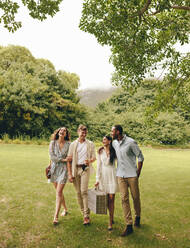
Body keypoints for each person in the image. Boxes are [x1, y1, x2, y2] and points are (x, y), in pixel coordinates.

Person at [111, 125, 144, 237]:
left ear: (118, 132)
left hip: (132, 175)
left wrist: (138, 172)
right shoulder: (114, 143)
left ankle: (138, 216)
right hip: (120, 175)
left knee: (135, 197)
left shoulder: (131, 142)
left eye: (113, 131)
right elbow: (110, 151)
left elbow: (140, 156)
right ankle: (129, 225)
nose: (111, 133)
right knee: (124, 199)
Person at [67, 124, 96, 225]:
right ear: (78, 132)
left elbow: (94, 157)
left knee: (84, 191)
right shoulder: (73, 144)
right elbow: (69, 160)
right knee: (78, 193)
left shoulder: (90, 144)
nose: (83, 133)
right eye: (81, 132)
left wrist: (90, 161)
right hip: (75, 169)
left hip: (85, 169)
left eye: (85, 132)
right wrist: (70, 174)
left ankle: (86, 216)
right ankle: (83, 212)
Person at [95, 135, 117, 231]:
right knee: (106, 199)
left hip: (112, 174)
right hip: (103, 176)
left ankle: (110, 222)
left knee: (112, 198)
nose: (103, 141)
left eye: (105, 139)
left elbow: (119, 163)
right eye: (102, 139)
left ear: (109, 141)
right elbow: (99, 166)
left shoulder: (114, 151)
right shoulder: (100, 151)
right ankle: (111, 218)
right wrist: (97, 179)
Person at [49, 127, 71, 225]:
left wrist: (67, 161)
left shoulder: (69, 144)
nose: (62, 132)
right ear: (58, 132)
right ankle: (65, 209)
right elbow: (52, 157)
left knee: (58, 192)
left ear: (66, 134)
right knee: (59, 192)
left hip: (64, 170)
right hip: (54, 169)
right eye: (61, 130)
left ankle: (55, 217)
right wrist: (63, 160)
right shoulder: (52, 143)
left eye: (64, 131)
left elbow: (70, 158)